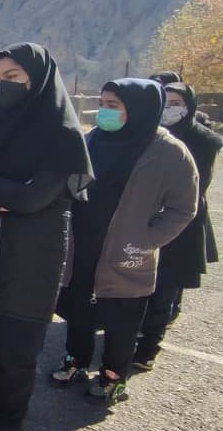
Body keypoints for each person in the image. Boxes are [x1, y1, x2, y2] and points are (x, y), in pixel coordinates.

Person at [0, 43, 94, 431]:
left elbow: (34, 198)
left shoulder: (61, 133)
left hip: (31, 251)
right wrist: (0, 191)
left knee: (15, 338)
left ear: (38, 78)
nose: (4, 86)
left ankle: (8, 421)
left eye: (13, 77)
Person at [52, 78, 197, 404]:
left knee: (122, 314)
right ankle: (75, 359)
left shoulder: (168, 151)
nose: (103, 112)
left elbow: (183, 207)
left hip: (128, 249)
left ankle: (113, 375)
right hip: (84, 243)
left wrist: (146, 239)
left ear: (139, 108)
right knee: (79, 306)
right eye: (102, 104)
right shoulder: (93, 140)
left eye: (112, 106)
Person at [134, 82, 221, 369]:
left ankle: (149, 346)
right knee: (139, 284)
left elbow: (197, 187)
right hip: (144, 216)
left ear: (189, 106)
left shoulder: (204, 140)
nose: (169, 109)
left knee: (165, 287)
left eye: (175, 103)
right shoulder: (146, 134)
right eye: (165, 102)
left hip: (179, 222)